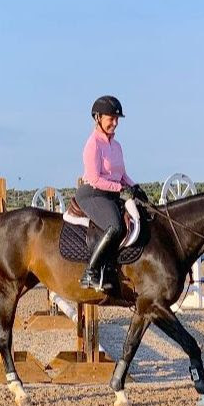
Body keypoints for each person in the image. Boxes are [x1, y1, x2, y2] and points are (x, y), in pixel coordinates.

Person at [75, 96, 148, 293]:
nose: (115, 123)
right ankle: (90, 272)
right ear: (98, 118)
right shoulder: (93, 145)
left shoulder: (116, 146)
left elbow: (122, 175)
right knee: (115, 226)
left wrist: (136, 187)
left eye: (117, 119)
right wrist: (121, 190)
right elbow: (95, 178)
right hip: (93, 194)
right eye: (111, 118)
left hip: (111, 193)